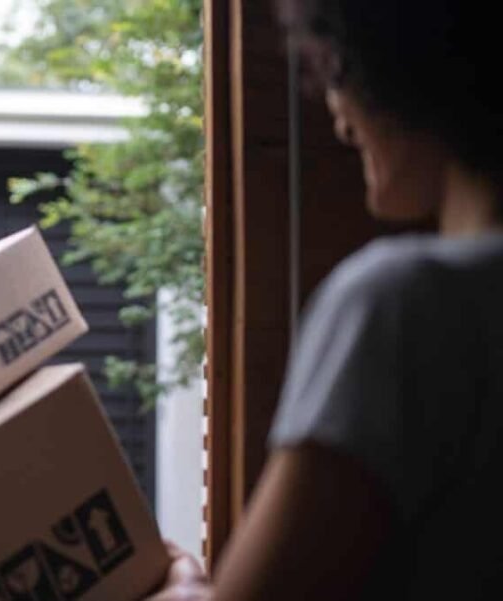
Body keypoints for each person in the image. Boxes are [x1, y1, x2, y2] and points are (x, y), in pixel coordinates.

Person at [148, 1, 503, 599]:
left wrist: (182, 588)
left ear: (411, 69)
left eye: (339, 71)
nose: (339, 121)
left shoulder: (406, 305)